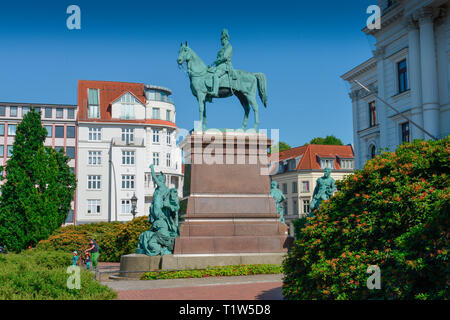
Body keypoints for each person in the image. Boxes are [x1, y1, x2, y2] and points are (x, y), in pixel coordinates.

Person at [208, 29, 234, 97]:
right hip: (219, 66)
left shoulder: (229, 46)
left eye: (222, 39)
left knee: (216, 75)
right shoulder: (222, 49)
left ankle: (215, 92)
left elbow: (225, 57)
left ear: (225, 39)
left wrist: (215, 62)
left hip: (225, 65)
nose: (221, 41)